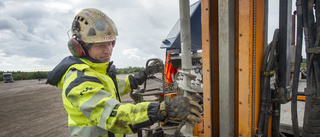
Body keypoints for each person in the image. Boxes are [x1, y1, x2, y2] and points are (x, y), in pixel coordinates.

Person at [46, 8, 202, 137]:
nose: (108, 51)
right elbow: (114, 116)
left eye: (111, 43)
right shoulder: (78, 81)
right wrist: (163, 109)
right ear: (79, 47)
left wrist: (142, 75)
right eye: (100, 45)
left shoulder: (98, 72)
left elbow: (116, 84)